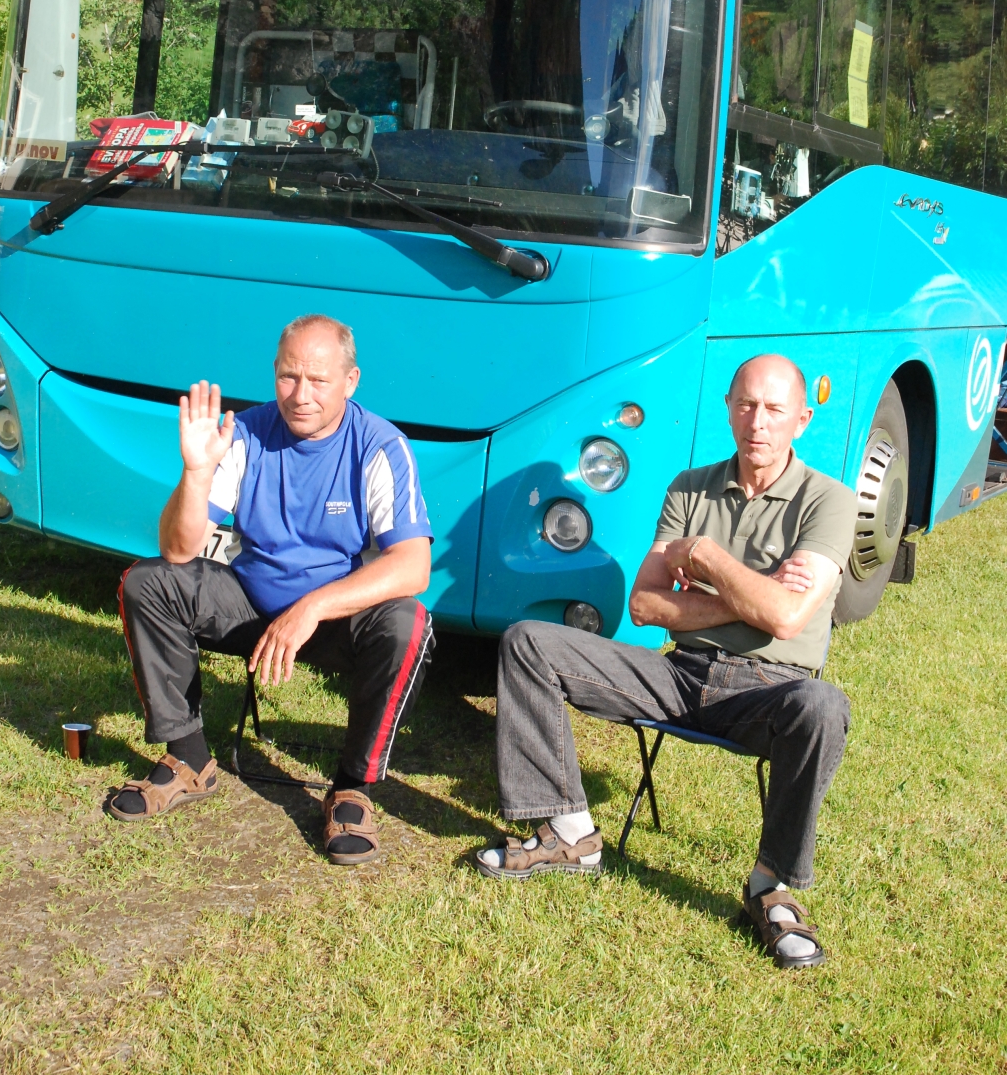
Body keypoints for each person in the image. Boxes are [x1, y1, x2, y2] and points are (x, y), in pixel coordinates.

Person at [476, 354, 856, 969]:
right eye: (746, 405)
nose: (758, 422)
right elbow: (647, 604)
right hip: (679, 674)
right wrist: (754, 594)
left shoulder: (829, 501)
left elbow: (787, 620)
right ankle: (571, 833)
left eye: (775, 409)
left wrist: (704, 559)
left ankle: (772, 888)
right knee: (528, 641)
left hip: (768, 689)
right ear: (729, 408)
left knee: (824, 706)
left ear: (802, 419)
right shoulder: (690, 487)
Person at [110, 313, 434, 866]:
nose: (300, 395)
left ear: (350, 381)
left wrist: (312, 607)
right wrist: (196, 473)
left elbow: (412, 566)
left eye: (318, 380)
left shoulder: (380, 445)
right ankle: (188, 759)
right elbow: (178, 550)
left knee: (409, 622)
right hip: (250, 606)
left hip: (332, 621)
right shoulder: (246, 433)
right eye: (288, 376)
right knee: (149, 582)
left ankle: (352, 788)